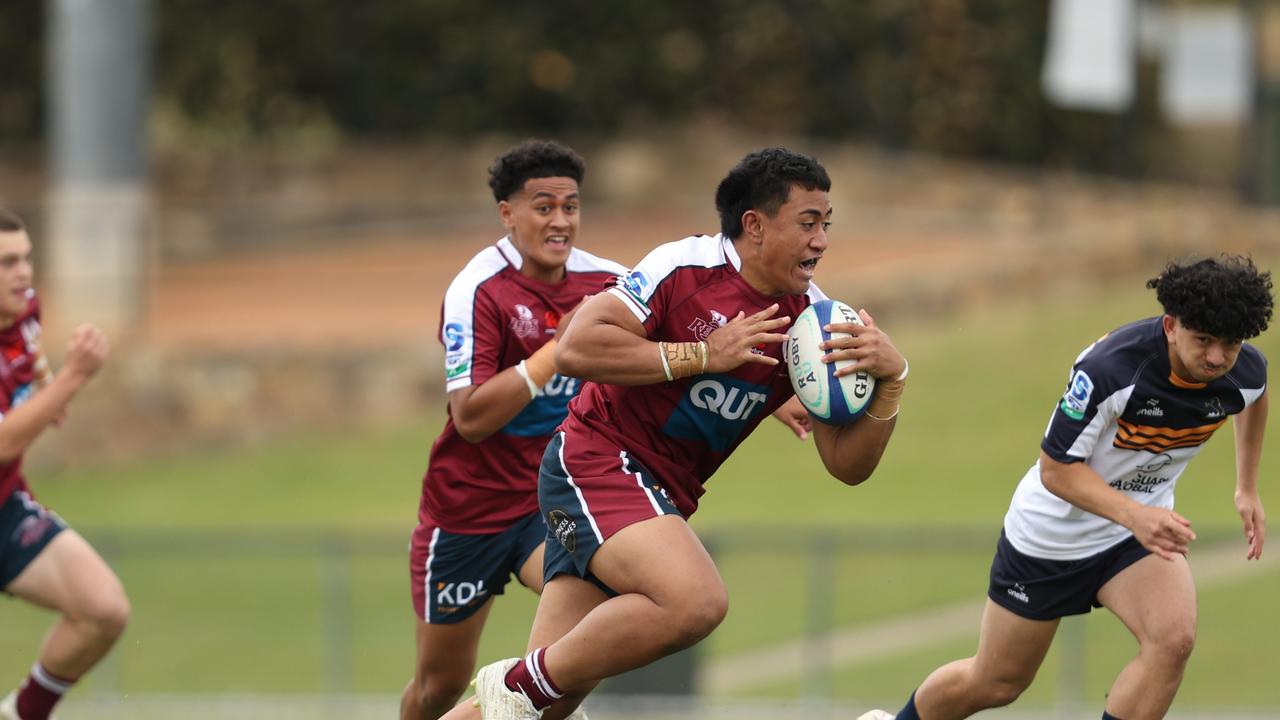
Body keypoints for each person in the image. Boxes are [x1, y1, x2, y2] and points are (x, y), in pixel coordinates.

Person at [439, 146, 909, 720]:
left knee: (534, 712)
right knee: (696, 601)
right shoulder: (685, 268)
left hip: (655, 497)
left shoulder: (810, 325)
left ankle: (524, 689)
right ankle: (523, 682)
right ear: (754, 226)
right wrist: (702, 354)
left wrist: (891, 382)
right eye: (808, 223)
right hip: (596, 461)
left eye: (826, 225)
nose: (822, 241)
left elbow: (847, 465)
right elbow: (577, 345)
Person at [861, 255, 1272, 720]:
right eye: (1203, 341)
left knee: (1173, 641)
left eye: (1230, 344)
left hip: (1133, 536)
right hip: (1051, 536)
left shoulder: (1242, 371)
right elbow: (1056, 468)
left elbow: (1255, 398)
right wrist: (1136, 515)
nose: (1217, 358)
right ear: (1171, 325)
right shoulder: (1111, 370)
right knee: (997, 682)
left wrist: (1247, 487)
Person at [401, 140, 630, 720]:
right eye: (544, 207)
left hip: (547, 503)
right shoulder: (479, 289)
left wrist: (772, 397)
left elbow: (672, 334)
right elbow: (470, 417)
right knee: (438, 685)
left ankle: (528, 705)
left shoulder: (607, 281)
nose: (561, 222)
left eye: (571, 207)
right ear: (508, 213)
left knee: (582, 639)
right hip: (466, 511)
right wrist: (560, 350)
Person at [0, 208, 126, 720]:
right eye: (7, 262)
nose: (24, 273)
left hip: (4, 507)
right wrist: (76, 376)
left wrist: (49, 388)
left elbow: (29, 365)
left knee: (103, 609)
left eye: (27, 258)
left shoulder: (25, 308)